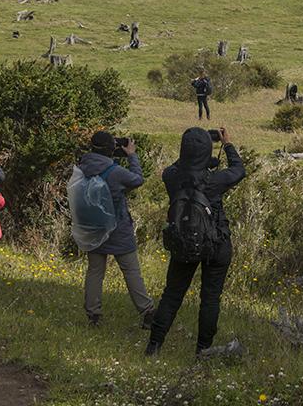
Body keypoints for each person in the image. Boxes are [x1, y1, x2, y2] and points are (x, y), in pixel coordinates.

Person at [146, 126, 246, 356]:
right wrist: (227, 144)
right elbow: (239, 170)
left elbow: (176, 167)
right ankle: (203, 351)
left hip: (184, 242)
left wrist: (192, 155)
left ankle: (154, 346)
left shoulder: (171, 177)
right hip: (216, 242)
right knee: (210, 298)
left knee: (172, 294)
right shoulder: (215, 181)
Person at [78, 131, 155, 328]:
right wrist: (131, 155)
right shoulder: (115, 172)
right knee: (131, 270)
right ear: (111, 149)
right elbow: (137, 179)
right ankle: (146, 311)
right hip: (118, 227)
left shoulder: (83, 166)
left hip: (93, 226)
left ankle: (93, 315)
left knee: (95, 271)